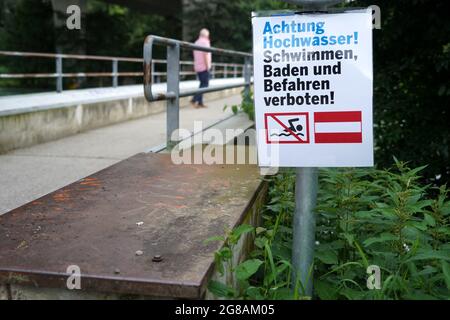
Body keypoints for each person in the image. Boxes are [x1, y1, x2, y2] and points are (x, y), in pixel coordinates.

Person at [191, 28, 212, 108]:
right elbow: (206, 55)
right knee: (205, 84)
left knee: (202, 84)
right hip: (204, 66)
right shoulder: (205, 42)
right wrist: (208, 67)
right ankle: (194, 100)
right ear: (206, 35)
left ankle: (200, 102)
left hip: (198, 66)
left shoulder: (196, 42)